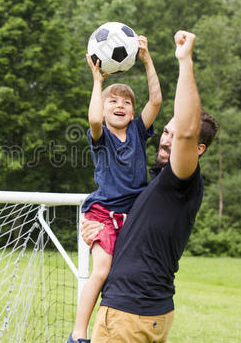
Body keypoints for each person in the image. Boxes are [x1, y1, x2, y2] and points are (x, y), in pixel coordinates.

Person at [80, 30, 219, 343]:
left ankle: (77, 332)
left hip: (131, 314)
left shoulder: (179, 179)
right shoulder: (154, 180)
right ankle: (80, 328)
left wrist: (178, 61)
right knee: (100, 268)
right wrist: (93, 226)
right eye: (166, 131)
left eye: (176, 134)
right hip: (133, 308)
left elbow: (174, 118)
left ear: (197, 150)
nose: (168, 137)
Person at [67, 35, 162, 343]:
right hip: (103, 213)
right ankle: (78, 334)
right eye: (113, 101)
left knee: (124, 277)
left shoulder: (137, 131)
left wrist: (147, 60)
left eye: (126, 102)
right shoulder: (101, 138)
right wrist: (97, 81)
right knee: (102, 269)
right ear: (105, 110)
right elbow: (94, 117)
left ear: (133, 113)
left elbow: (157, 101)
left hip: (133, 217)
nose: (120, 105)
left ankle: (114, 330)